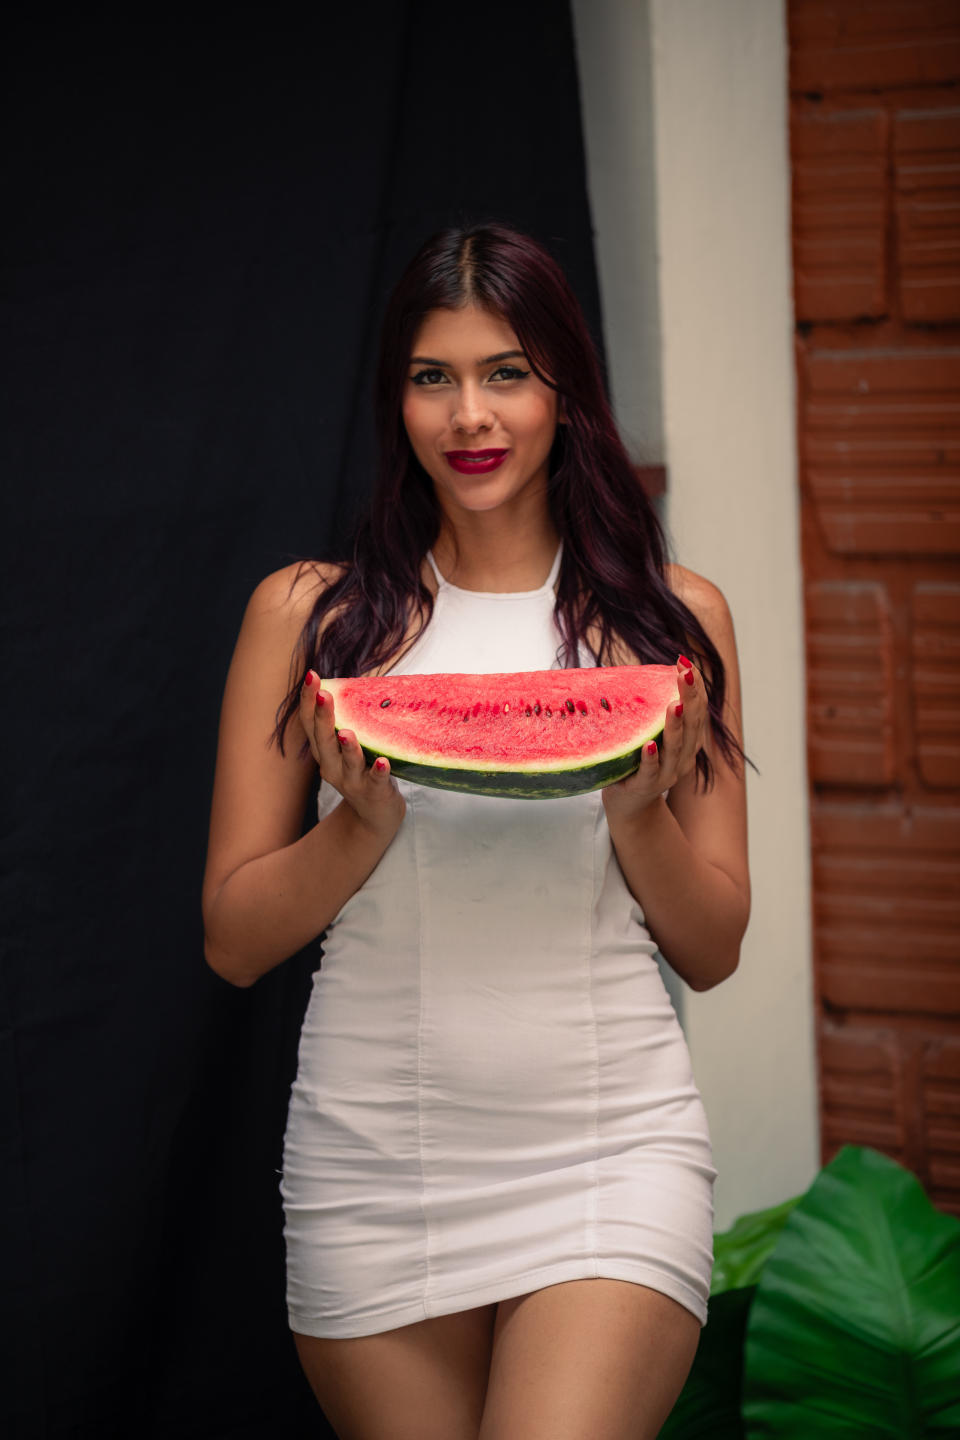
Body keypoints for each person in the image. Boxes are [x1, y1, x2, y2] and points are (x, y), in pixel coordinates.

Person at [202, 222, 750, 1440]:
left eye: (506, 372)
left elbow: (713, 948)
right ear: (393, 398)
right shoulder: (305, 619)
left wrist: (638, 815)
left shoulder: (672, 623)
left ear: (565, 389)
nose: (469, 416)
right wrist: (358, 829)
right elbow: (233, 942)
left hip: (609, 1150)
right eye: (431, 377)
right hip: (370, 1157)